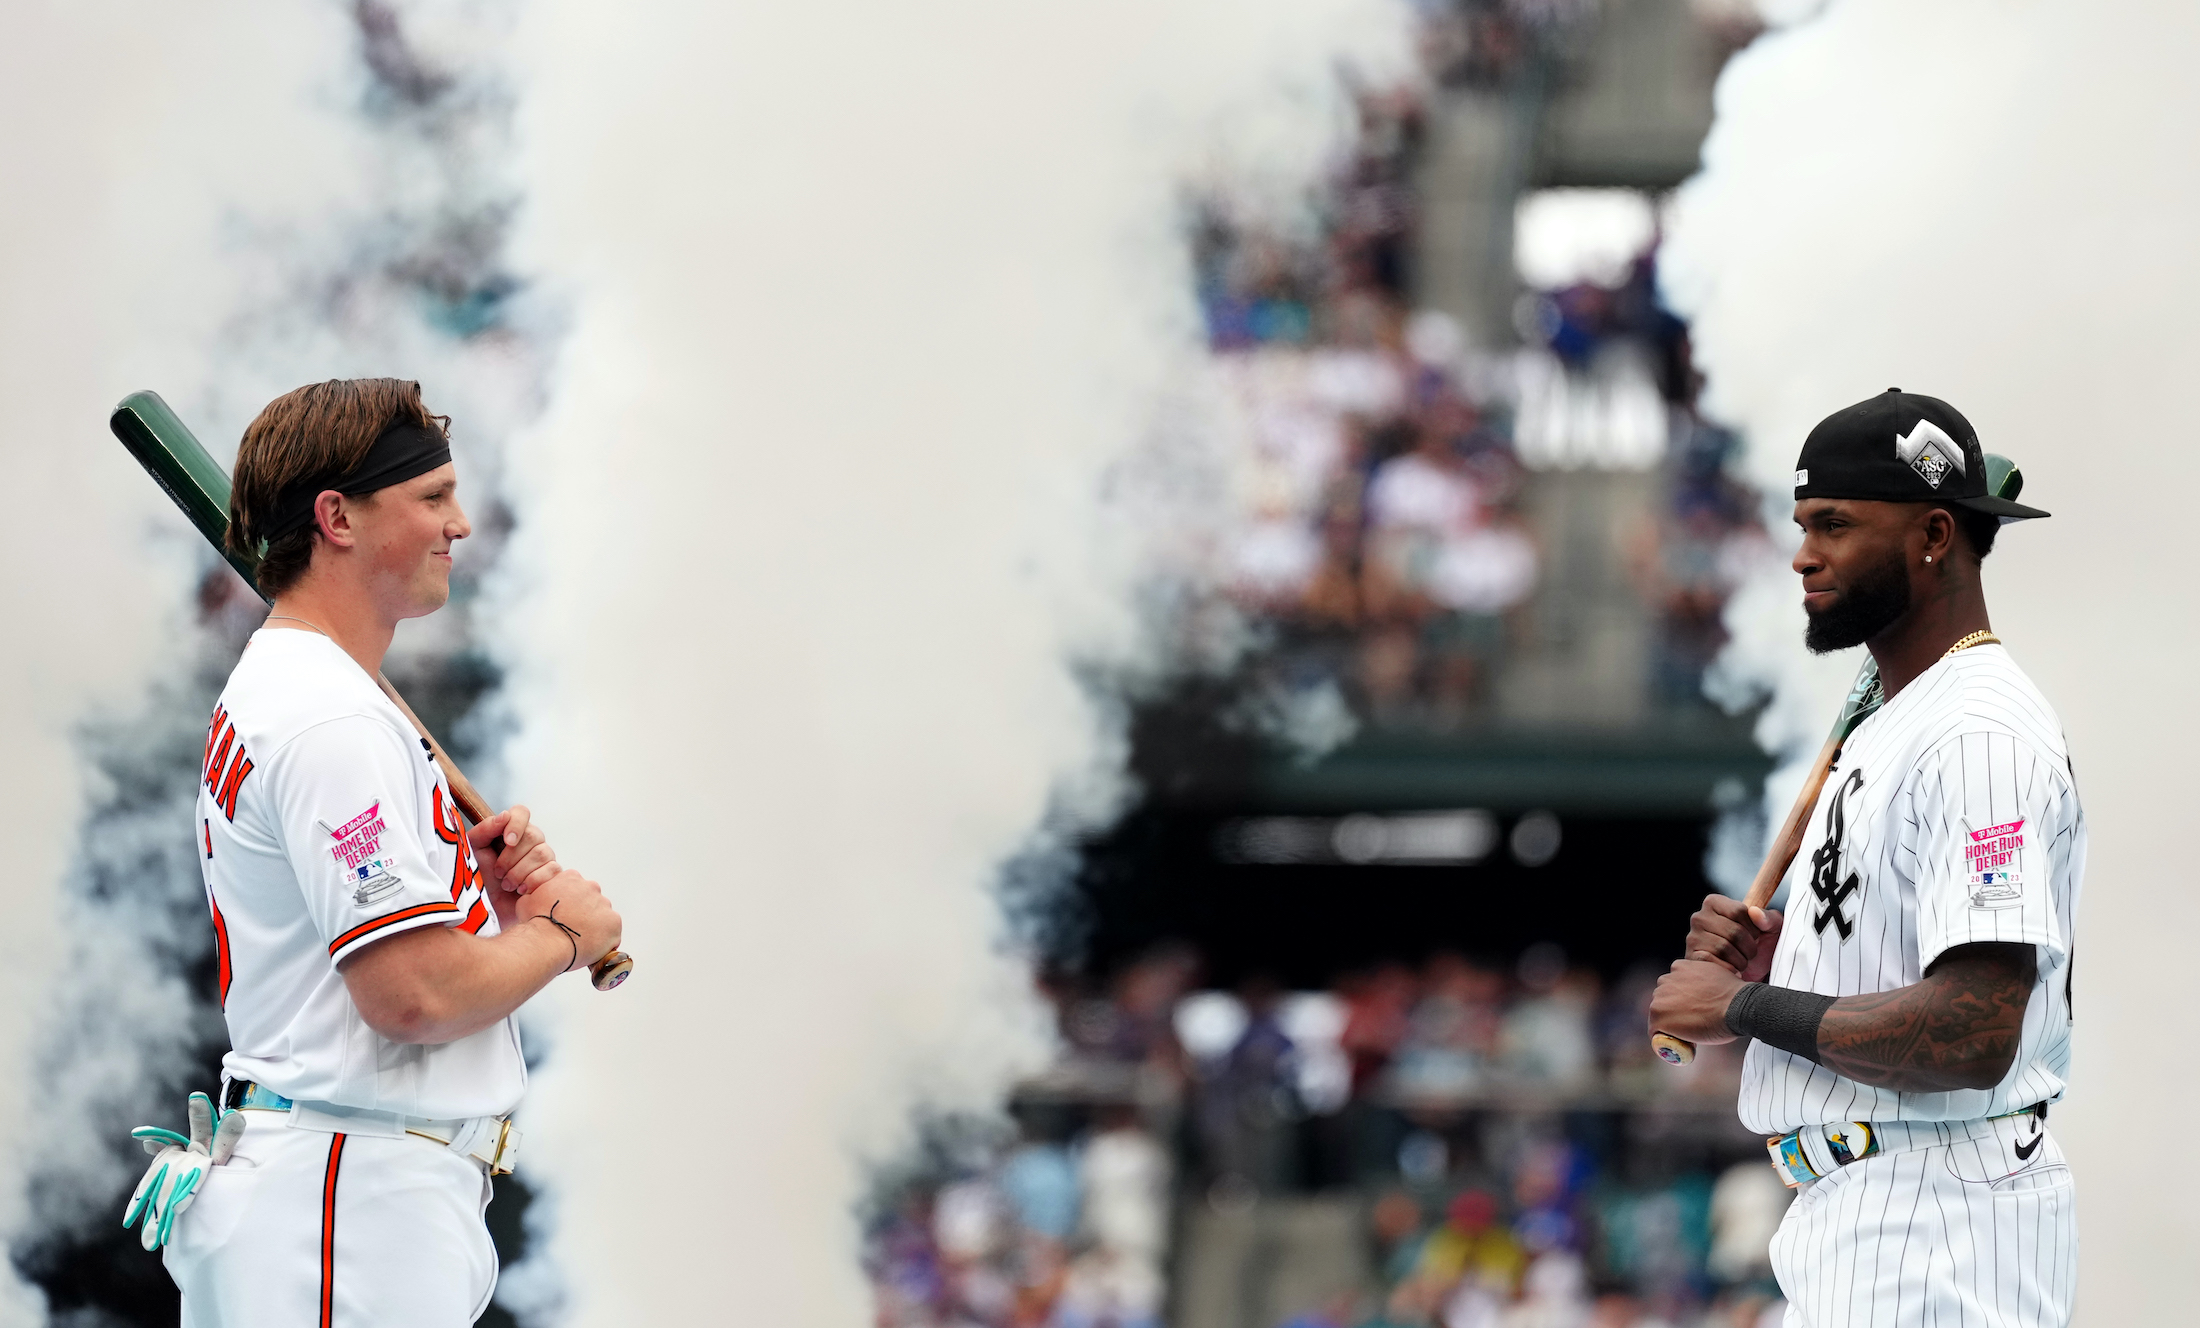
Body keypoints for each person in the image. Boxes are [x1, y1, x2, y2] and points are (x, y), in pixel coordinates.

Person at [123, 378, 623, 1325]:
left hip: (346, 1188)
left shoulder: (306, 690)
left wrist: (482, 910)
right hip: (347, 1201)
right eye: (431, 498)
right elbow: (412, 997)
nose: (461, 524)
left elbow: (404, 962)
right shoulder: (329, 719)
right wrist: (561, 934)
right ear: (336, 519)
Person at [1648, 389, 2078, 1327]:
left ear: (1933, 535)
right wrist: (1789, 962)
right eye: (1802, 524)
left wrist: (1743, 1006)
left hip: (1938, 1220)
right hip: (1869, 1213)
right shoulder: (1896, 719)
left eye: (1836, 525)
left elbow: (1973, 1031)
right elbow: (1905, 973)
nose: (1804, 554)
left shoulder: (1978, 735)